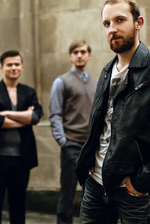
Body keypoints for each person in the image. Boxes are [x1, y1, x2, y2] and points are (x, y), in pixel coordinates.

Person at [75, 0, 150, 224]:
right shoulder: (106, 70)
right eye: (107, 23)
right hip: (95, 186)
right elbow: (102, 124)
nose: (112, 29)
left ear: (138, 23)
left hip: (132, 192)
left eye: (120, 20)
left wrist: (143, 181)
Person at [0, 50, 43, 224]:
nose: (13, 67)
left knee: (18, 206)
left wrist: (6, 114)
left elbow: (36, 117)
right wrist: (24, 118)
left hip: (21, 158)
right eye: (9, 64)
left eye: (17, 64)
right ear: (2, 68)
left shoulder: (28, 92)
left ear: (21, 67)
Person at [49, 40, 97, 224]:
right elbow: (55, 115)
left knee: (91, 195)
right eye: (75, 52)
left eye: (83, 51)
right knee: (67, 193)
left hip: (91, 148)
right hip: (71, 145)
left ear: (88, 55)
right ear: (70, 56)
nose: (79, 55)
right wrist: (64, 142)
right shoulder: (61, 82)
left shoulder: (96, 83)